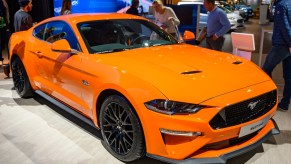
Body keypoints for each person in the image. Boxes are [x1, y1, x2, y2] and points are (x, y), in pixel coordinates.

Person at [262, 0, 291, 111]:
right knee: (288, 77)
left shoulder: (281, 5)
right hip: (287, 45)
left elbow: (284, 27)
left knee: (265, 71)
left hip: (281, 45)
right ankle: (285, 104)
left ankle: (269, 100)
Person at [3, 0, 33, 77]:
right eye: (30, 3)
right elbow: (31, 31)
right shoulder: (26, 16)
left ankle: (10, 70)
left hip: (17, 40)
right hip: (25, 42)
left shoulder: (17, 14)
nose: (32, 5)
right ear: (26, 5)